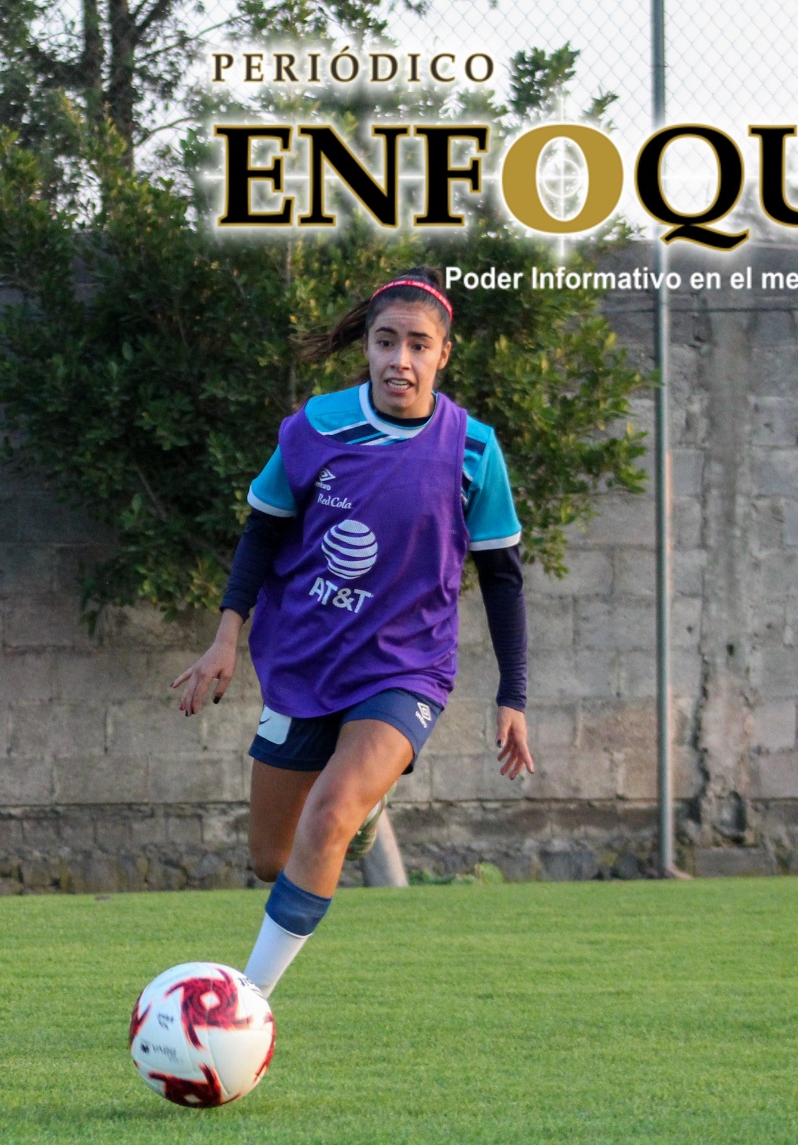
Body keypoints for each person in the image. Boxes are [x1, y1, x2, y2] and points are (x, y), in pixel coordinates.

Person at [171, 267, 534, 998]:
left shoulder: (473, 450)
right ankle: (362, 820)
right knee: (273, 857)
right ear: (366, 348)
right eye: (386, 341)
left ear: (443, 356)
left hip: (405, 670)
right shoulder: (315, 429)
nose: (401, 358)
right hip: (304, 658)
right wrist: (225, 635)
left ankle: (248, 1001)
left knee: (330, 811)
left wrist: (513, 694)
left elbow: (502, 574)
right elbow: (262, 532)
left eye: (418, 345)